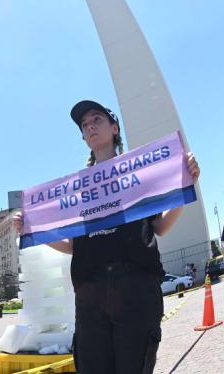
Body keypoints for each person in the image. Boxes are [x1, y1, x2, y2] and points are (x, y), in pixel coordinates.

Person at [13, 100, 200, 374]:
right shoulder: (75, 192)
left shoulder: (140, 174)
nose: (90, 126)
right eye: (84, 125)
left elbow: (159, 227)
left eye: (96, 119)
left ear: (114, 128)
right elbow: (72, 247)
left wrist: (186, 185)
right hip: (90, 295)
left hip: (136, 287)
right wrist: (32, 229)